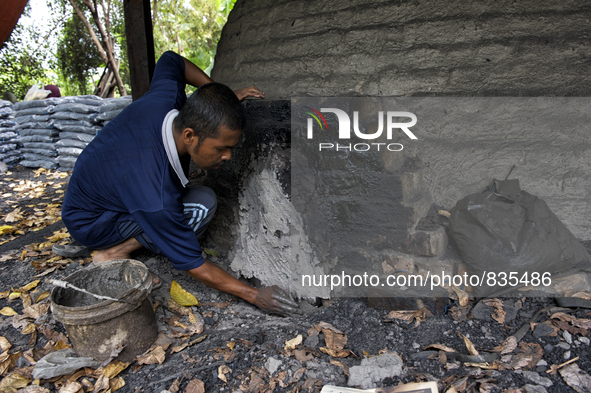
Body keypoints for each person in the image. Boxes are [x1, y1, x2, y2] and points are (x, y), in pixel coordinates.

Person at [55, 51, 298, 315]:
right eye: (221, 148)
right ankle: (112, 253)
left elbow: (171, 60)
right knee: (201, 205)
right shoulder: (155, 194)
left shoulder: (167, 101)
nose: (227, 156)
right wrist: (254, 295)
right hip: (91, 222)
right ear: (190, 135)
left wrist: (219, 98)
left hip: (96, 194)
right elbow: (193, 263)